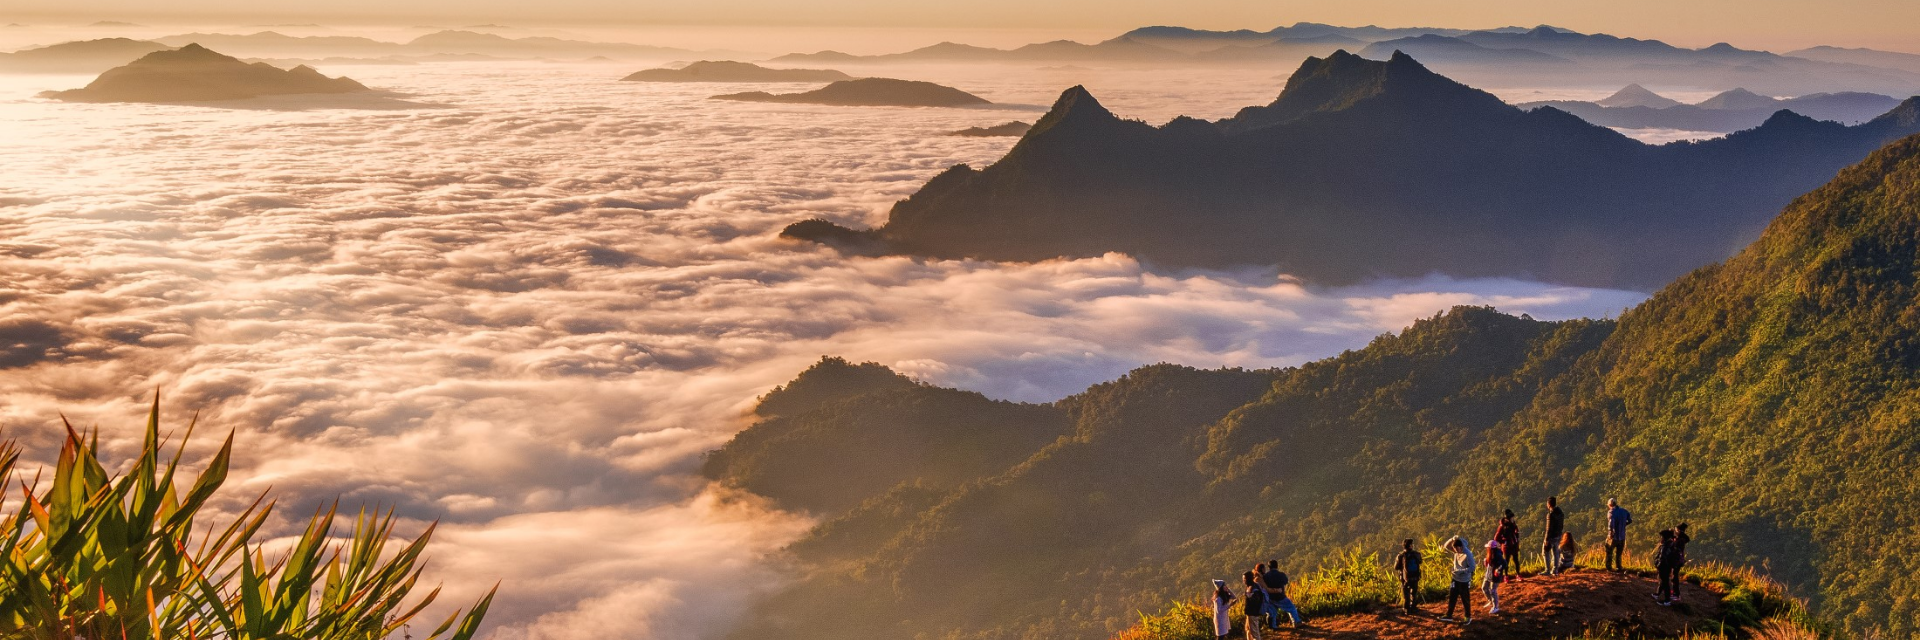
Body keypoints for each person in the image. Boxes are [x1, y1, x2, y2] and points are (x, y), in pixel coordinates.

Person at [1440, 536, 1475, 625]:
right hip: (1455, 579)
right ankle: (1449, 615)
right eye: (1454, 549)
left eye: (1456, 549)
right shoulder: (1456, 550)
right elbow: (1446, 546)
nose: (1455, 551)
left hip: (1464, 580)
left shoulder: (1468, 554)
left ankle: (1468, 617)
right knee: (1452, 597)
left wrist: (1461, 571)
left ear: (1461, 547)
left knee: (1465, 599)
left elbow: (1472, 567)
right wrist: (1452, 539)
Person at [1261, 560, 1305, 628]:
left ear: (1269, 567)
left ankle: (1273, 626)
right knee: (1292, 608)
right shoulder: (1281, 575)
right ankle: (1296, 622)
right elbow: (1285, 582)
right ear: (1277, 566)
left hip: (1271, 598)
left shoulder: (1265, 576)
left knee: (1272, 612)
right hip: (1280, 597)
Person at [1393, 538, 1423, 615]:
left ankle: (1406, 609)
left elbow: (1396, 567)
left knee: (1406, 593)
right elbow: (1420, 561)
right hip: (1415, 577)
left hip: (1405, 578)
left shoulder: (1401, 555)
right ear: (1411, 545)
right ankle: (1413, 607)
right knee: (1414, 592)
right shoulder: (1416, 554)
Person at [1654, 529, 1681, 604]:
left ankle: (1667, 600)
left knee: (1665, 583)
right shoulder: (1671, 544)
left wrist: (1658, 565)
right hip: (1667, 566)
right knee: (1664, 581)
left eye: (1662, 537)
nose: (1661, 538)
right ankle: (1659, 595)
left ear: (1664, 537)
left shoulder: (1666, 546)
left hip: (1664, 567)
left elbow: (1662, 557)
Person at [1606, 498, 1633, 571]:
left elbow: (1611, 524)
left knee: (1609, 552)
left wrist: (1610, 534)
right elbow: (1630, 520)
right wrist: (1624, 524)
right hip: (1622, 536)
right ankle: (1619, 567)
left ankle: (1609, 568)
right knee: (1619, 553)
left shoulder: (1611, 512)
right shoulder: (1624, 511)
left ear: (1609, 505)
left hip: (1613, 536)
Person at [1542, 496, 1566, 575]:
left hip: (1551, 537)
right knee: (1556, 553)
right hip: (1558, 535)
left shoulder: (1550, 515)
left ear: (1549, 504)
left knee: (1545, 552)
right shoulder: (1560, 513)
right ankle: (1555, 570)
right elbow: (1561, 525)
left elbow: (1548, 528)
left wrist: (1546, 539)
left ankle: (1547, 570)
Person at [1494, 510, 1521, 577]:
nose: (1513, 519)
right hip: (1507, 547)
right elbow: (1496, 537)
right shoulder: (1502, 526)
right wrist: (1503, 541)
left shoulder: (1513, 524)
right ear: (1508, 518)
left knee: (1516, 561)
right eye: (1512, 518)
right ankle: (1506, 575)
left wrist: (1516, 534)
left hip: (1514, 545)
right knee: (1506, 561)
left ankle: (1518, 574)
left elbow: (1516, 530)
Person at [1241, 571, 1267, 640]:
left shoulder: (1253, 588)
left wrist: (1249, 596)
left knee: (1254, 633)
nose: (1243, 581)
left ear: (1248, 579)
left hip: (1253, 613)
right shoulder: (1253, 586)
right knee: (1248, 629)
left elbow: (1256, 601)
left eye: (1244, 579)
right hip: (1251, 613)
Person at [1482, 539, 1505, 615]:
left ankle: (1496, 607)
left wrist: (1498, 570)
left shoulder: (1498, 555)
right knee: (1484, 587)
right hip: (1488, 574)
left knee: (1493, 591)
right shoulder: (1490, 554)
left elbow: (1504, 564)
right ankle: (1490, 601)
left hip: (1494, 577)